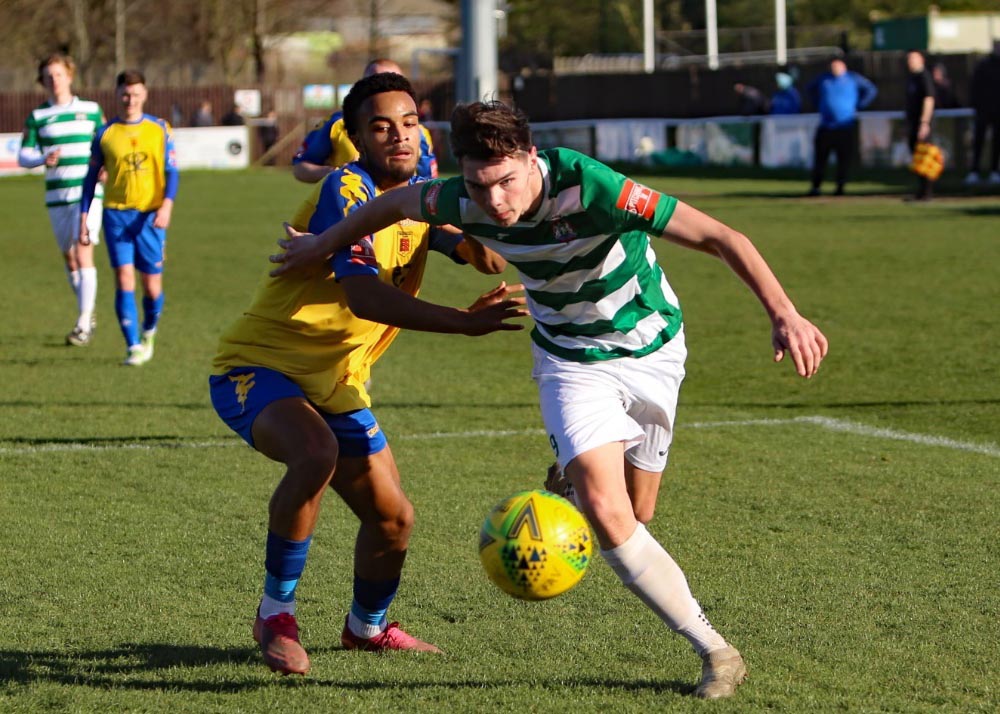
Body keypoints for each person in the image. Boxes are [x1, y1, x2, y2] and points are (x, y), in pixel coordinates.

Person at [269, 100, 829, 699]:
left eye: (507, 182)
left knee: (638, 514)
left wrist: (784, 313)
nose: (497, 203)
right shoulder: (454, 198)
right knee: (609, 517)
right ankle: (716, 651)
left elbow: (721, 236)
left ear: (531, 158)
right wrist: (320, 245)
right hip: (569, 360)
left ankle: (572, 467)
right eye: (481, 187)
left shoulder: (593, 186)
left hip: (653, 347)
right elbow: (387, 207)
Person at [209, 74, 524, 676]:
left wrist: (480, 203)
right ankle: (275, 614)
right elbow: (363, 296)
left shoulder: (424, 200)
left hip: (338, 379)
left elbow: (487, 258)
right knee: (314, 452)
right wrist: (462, 323)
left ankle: (367, 629)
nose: (399, 136)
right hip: (259, 364)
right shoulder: (345, 189)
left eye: (408, 123)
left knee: (393, 518)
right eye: (380, 127)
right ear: (353, 137)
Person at [80, 70, 179, 366]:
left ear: (145, 94)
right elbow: (89, 178)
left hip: (151, 217)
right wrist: (84, 216)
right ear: (117, 95)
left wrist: (166, 207)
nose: (130, 100)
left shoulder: (160, 129)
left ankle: (149, 331)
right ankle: (133, 346)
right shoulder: (105, 133)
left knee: (152, 286)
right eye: (125, 94)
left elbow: (172, 171)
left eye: (136, 94)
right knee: (124, 279)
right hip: (116, 215)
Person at [18, 53, 104, 347]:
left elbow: (105, 142)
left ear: (70, 75)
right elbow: (23, 154)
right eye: (48, 76)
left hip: (87, 195)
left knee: (83, 253)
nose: (54, 80)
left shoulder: (91, 110)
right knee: (69, 258)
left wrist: (105, 167)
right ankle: (87, 311)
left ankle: (83, 323)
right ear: (42, 81)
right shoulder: (38, 116)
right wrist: (42, 157)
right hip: (56, 196)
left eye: (58, 74)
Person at [292, 58, 437, 183]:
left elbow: (428, 182)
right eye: (377, 82)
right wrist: (336, 174)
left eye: (394, 81)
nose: (386, 88)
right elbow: (300, 167)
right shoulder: (338, 124)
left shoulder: (419, 132)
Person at [805, 57, 878, 196]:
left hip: (845, 126)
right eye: (832, 67)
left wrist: (859, 105)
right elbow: (809, 90)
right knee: (820, 159)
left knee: (843, 160)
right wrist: (818, 104)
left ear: (843, 66)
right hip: (826, 126)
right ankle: (816, 186)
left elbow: (871, 90)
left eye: (837, 66)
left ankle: (840, 187)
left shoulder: (853, 79)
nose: (835, 69)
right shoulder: (824, 79)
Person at [965, 40, 1000, 186]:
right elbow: (975, 86)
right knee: (978, 141)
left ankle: (994, 171)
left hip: (998, 112)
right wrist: (976, 105)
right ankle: (974, 171)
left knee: (997, 143)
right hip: (983, 111)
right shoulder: (983, 65)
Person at [904, 50, 936, 201]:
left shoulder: (924, 76)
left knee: (925, 157)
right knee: (917, 158)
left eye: (913, 58)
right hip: (912, 123)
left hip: (921, 124)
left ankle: (927, 192)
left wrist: (924, 123)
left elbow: (929, 99)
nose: (910, 61)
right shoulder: (912, 77)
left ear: (921, 60)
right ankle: (921, 191)